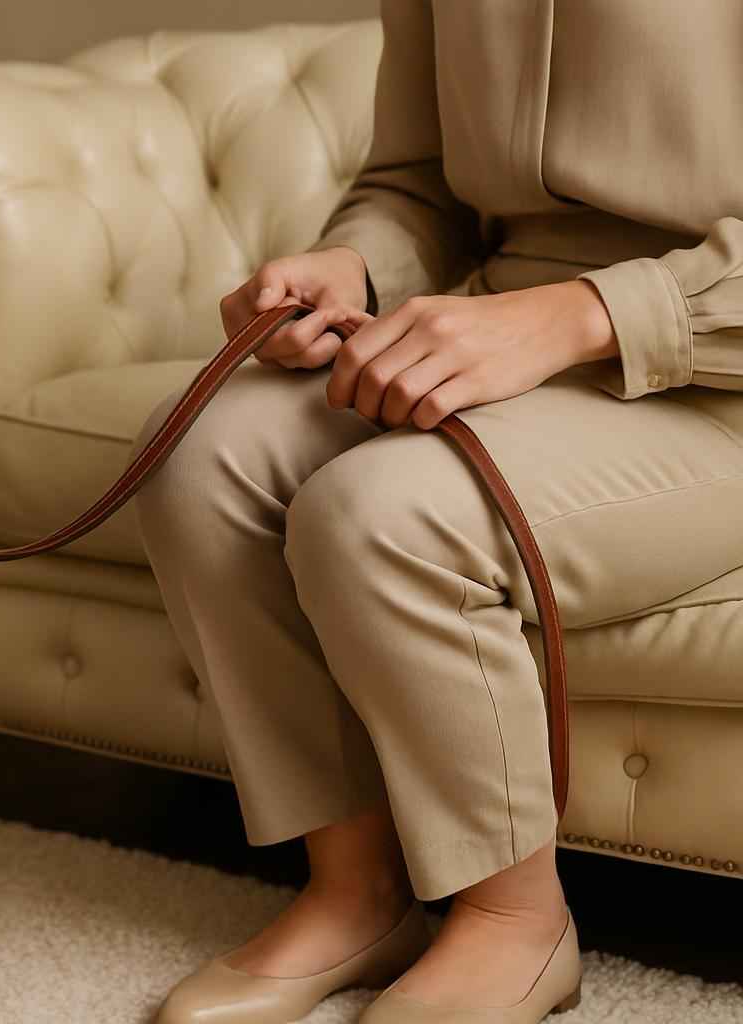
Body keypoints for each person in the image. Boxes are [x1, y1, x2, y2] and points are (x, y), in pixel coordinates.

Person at [138, 2, 743, 1022]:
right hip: (506, 332)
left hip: (714, 376)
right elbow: (418, 184)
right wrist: (352, 268)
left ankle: (513, 920)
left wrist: (580, 315)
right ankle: (357, 890)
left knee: (385, 515)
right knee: (200, 455)